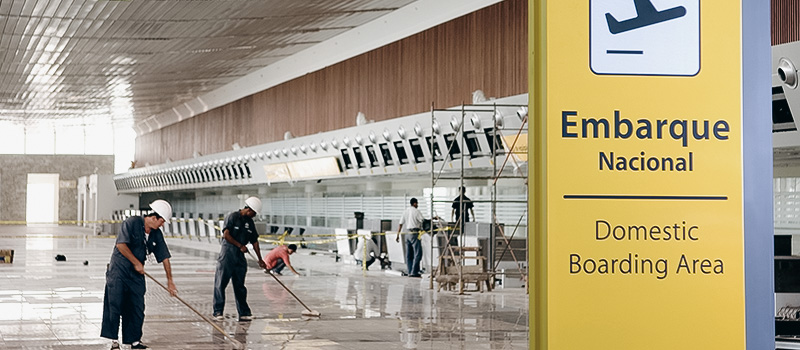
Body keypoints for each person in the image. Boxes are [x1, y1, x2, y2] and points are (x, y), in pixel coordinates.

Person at [101, 199, 177, 350]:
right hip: (119, 271)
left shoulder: (156, 233)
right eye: (161, 222)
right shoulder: (132, 222)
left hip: (136, 275)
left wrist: (170, 280)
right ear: (154, 217)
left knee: (136, 306)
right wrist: (136, 262)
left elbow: (165, 257)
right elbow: (121, 245)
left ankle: (134, 340)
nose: (161, 225)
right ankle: (114, 341)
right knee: (115, 304)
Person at [212, 197, 266, 322]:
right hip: (228, 253)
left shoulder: (250, 223)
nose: (254, 215)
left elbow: (254, 241)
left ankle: (244, 313)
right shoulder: (232, 217)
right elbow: (226, 235)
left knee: (240, 285)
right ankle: (218, 312)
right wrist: (240, 245)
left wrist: (260, 259)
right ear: (249, 209)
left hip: (240, 256)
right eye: (254, 213)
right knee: (221, 284)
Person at [396, 198, 437, 278]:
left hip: (406, 234)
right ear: (414, 203)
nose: (417, 205)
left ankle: (410, 271)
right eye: (417, 203)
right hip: (414, 233)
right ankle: (414, 272)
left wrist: (398, 235)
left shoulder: (405, 211)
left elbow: (400, 224)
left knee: (409, 254)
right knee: (418, 253)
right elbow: (423, 220)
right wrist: (433, 219)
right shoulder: (416, 211)